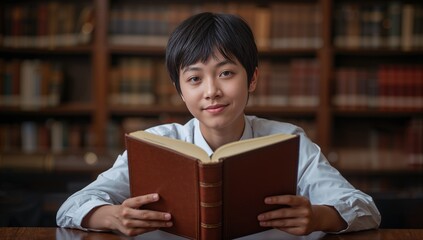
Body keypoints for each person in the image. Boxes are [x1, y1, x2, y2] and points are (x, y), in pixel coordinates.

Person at [56, 12, 381, 237]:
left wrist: (318, 217)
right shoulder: (156, 143)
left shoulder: (287, 139)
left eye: (226, 73)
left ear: (252, 78)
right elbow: (71, 207)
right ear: (180, 91)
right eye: (195, 78)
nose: (211, 91)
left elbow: (365, 209)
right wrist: (112, 216)